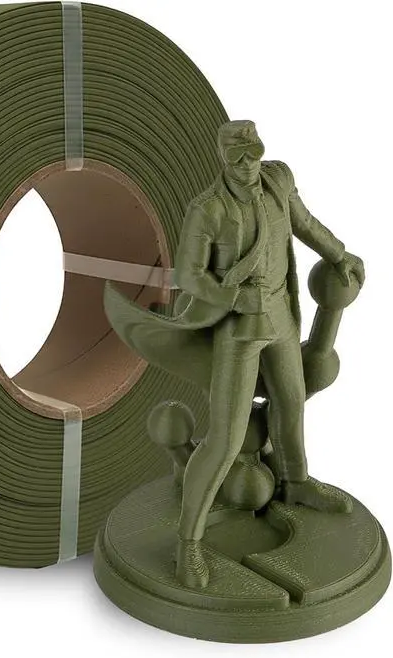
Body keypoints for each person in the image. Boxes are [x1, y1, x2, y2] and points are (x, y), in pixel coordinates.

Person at [173, 120, 365, 589]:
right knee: (224, 438)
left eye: (253, 154)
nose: (247, 165)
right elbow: (188, 275)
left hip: (279, 312)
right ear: (223, 159)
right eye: (237, 158)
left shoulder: (278, 179)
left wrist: (339, 254)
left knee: (292, 401)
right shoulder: (208, 209)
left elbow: (305, 223)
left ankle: (296, 482)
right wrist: (235, 298)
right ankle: (188, 543)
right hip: (238, 325)